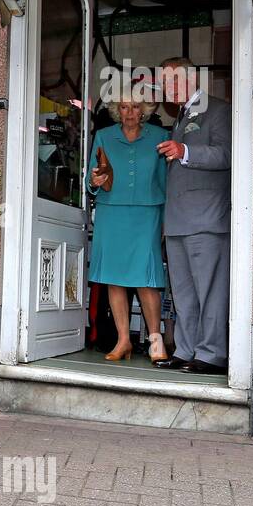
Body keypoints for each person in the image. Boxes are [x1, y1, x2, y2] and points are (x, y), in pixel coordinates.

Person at [155, 58, 231, 375]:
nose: (164, 88)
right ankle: (186, 349)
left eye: (170, 80)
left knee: (209, 291)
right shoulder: (183, 115)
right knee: (183, 293)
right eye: (163, 82)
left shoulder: (218, 109)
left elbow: (227, 154)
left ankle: (212, 354)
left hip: (207, 219)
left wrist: (185, 151)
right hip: (178, 221)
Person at [87, 89, 168, 362]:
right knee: (114, 278)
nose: (130, 112)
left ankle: (155, 340)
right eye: (124, 107)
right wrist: (94, 182)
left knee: (147, 277)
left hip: (148, 213)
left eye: (135, 107)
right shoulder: (104, 136)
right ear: (117, 110)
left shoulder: (159, 137)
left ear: (144, 110)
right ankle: (123, 341)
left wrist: (168, 217)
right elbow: (92, 176)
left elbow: (166, 181)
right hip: (112, 213)